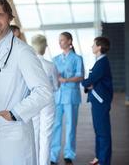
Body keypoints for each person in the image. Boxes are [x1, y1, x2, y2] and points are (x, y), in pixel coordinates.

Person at [0, 0, 53, 165]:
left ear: (9, 18)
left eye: (0, 15)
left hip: (12, 133)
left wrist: (15, 113)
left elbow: (44, 91)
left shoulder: (22, 51)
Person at [50, 32, 84, 165]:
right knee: (56, 126)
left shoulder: (77, 58)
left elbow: (80, 76)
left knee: (71, 126)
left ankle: (69, 154)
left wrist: (66, 79)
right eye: (59, 40)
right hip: (57, 97)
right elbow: (52, 77)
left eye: (62, 40)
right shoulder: (55, 59)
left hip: (71, 96)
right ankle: (53, 156)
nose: (60, 42)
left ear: (70, 41)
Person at [81, 37, 113, 165]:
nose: (91, 46)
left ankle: (104, 161)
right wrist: (90, 84)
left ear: (99, 47)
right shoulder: (100, 61)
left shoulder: (102, 62)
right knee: (99, 130)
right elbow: (93, 81)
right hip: (97, 101)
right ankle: (99, 157)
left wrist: (85, 82)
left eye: (93, 44)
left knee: (103, 132)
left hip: (101, 101)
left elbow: (90, 80)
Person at [31, 34, 58, 165]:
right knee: (46, 136)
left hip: (33, 101)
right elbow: (56, 86)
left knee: (34, 133)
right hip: (48, 101)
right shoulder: (50, 65)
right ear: (45, 47)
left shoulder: (29, 65)